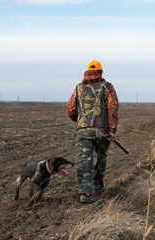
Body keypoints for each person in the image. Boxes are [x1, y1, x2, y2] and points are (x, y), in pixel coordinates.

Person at [67, 60, 119, 204]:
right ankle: (97, 186)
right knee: (101, 156)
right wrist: (113, 130)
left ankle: (84, 194)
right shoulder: (107, 87)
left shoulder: (79, 88)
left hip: (83, 130)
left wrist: (80, 121)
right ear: (100, 73)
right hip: (102, 131)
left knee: (84, 161)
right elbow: (112, 109)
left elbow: (70, 108)